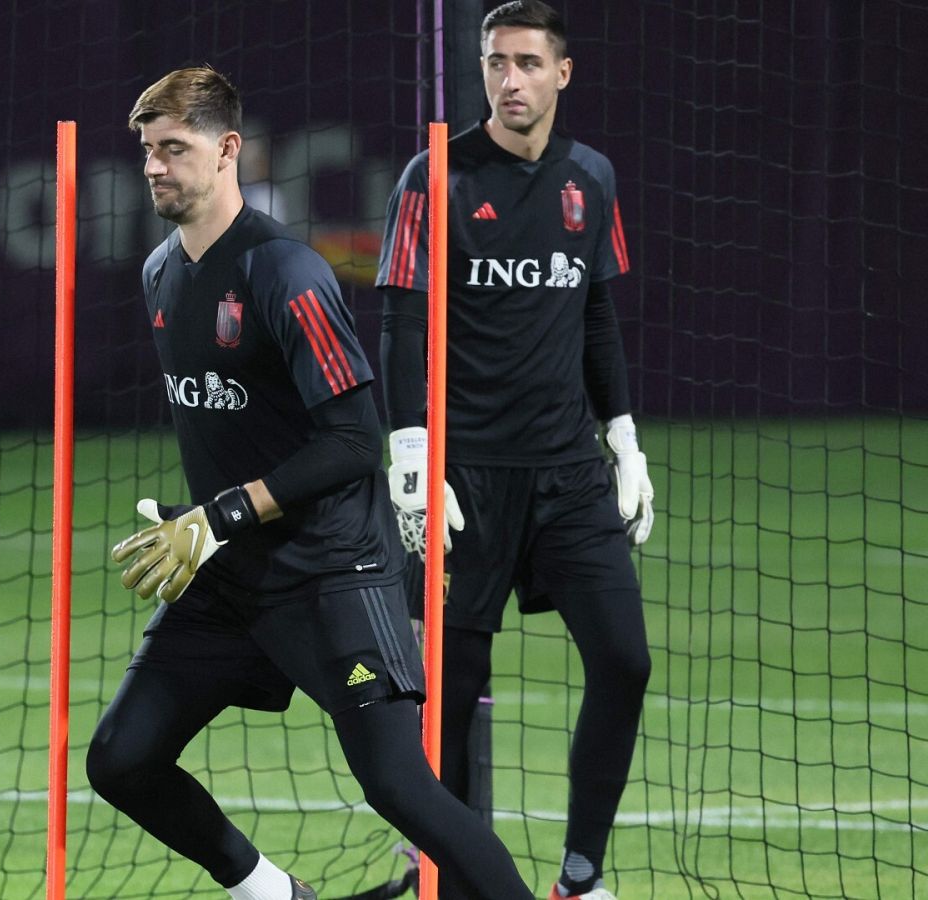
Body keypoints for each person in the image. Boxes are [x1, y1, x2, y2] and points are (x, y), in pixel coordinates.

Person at [87, 65, 534, 900]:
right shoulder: (159, 275)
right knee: (122, 758)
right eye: (147, 151)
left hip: (330, 572)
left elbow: (353, 441)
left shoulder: (285, 271)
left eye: (173, 149)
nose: (154, 167)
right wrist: (199, 519)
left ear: (227, 150)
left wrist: (220, 513)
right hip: (225, 577)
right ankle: (274, 895)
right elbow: (238, 427)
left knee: (401, 790)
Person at [374, 3, 654, 898]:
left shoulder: (593, 178)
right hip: (468, 482)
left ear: (562, 73)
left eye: (529, 63)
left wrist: (624, 438)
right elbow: (400, 316)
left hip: (570, 474)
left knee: (625, 659)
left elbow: (598, 314)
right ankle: (458, 886)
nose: (510, 80)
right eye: (497, 62)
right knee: (447, 701)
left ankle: (580, 877)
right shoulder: (437, 175)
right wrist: (412, 450)